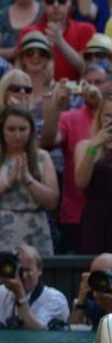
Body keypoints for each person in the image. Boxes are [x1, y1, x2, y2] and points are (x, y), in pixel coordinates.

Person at [0, 105, 59, 256]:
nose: (17, 135)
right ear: (2, 130)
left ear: (31, 130)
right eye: (11, 129)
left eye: (22, 129)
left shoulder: (42, 157)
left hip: (32, 230)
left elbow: (52, 201)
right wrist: (6, 182)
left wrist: (28, 179)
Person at [41, 66, 107, 253]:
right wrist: (56, 106)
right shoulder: (70, 117)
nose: (92, 88)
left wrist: (103, 102)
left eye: (98, 83)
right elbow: (47, 141)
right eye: (88, 83)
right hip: (76, 215)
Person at [0, 245, 70, 331]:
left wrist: (20, 294)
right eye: (19, 271)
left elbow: (38, 332)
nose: (23, 276)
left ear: (39, 269)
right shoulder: (1, 292)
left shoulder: (54, 298)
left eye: (27, 270)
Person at [17, 0, 95, 82]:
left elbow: (88, 70)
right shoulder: (28, 32)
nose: (56, 5)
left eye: (62, 1)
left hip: (76, 93)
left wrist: (61, 43)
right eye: (50, 1)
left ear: (70, 2)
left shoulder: (86, 30)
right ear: (43, 3)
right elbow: (19, 70)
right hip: (39, 94)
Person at [74, 96, 112, 255]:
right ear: (100, 118)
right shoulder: (86, 146)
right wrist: (94, 146)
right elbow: (81, 182)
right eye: (108, 116)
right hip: (96, 218)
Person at [69, 253, 112, 330]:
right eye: (96, 276)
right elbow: (72, 332)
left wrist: (109, 308)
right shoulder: (90, 300)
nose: (101, 282)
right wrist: (81, 300)